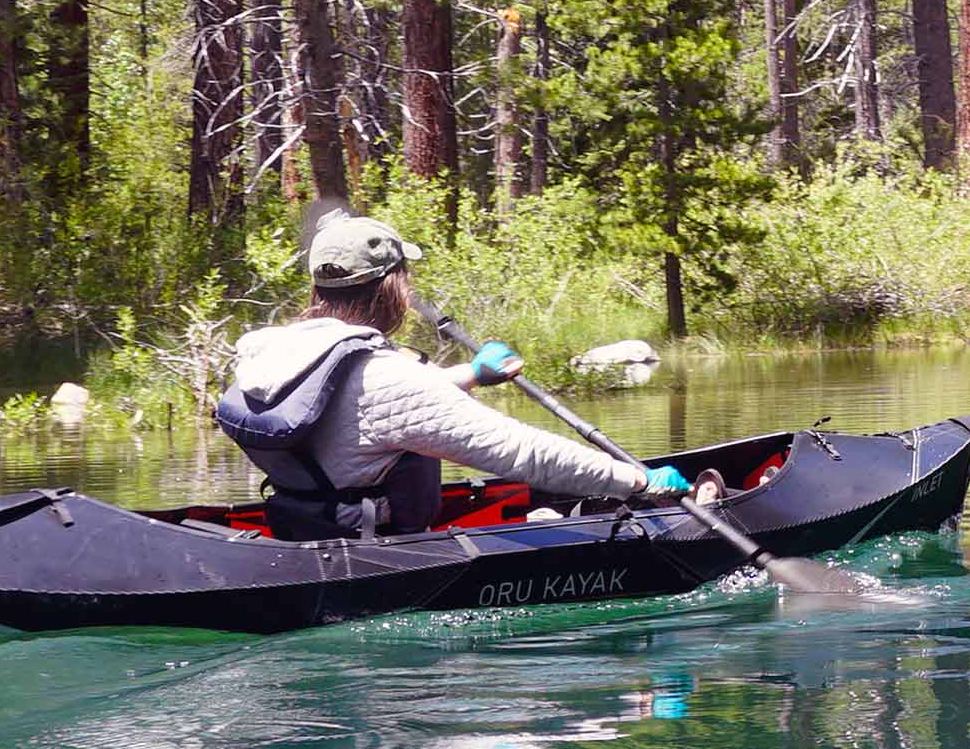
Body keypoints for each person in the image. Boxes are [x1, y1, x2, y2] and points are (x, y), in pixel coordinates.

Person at [214, 213, 692, 541]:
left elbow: (358, 414)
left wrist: (473, 374)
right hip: (371, 545)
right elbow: (522, 452)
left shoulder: (274, 351)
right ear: (393, 288)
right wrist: (636, 480)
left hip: (304, 524)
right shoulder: (386, 377)